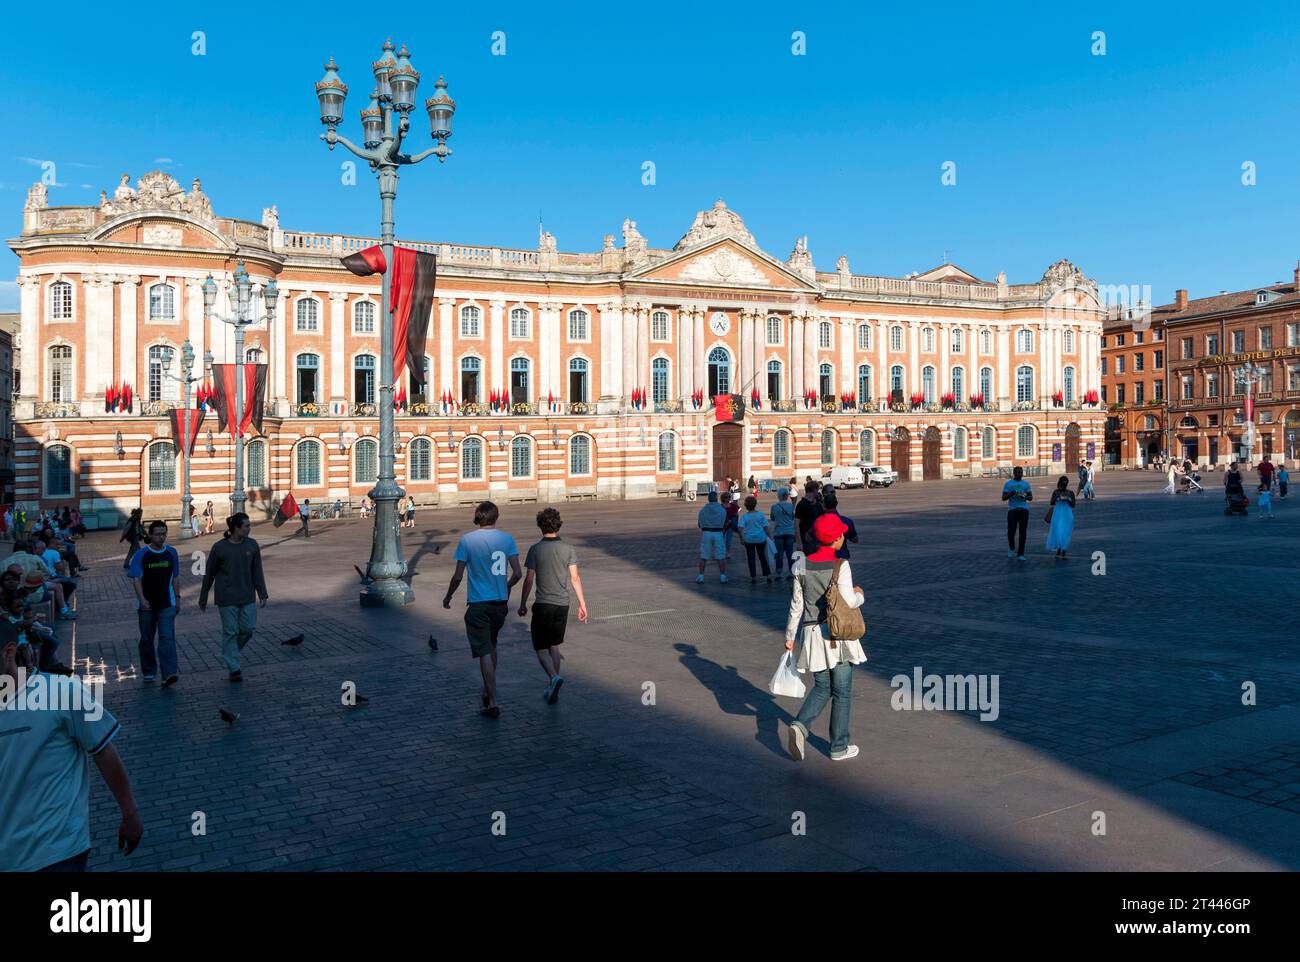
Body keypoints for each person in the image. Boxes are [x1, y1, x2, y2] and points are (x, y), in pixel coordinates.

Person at [0, 620, 144, 871]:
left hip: (56, 850)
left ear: (9, 651)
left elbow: (103, 752)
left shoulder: (61, 691)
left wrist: (129, 811)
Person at [783, 513, 866, 763]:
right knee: (841, 691)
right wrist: (860, 594)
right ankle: (839, 746)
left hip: (811, 633)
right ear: (837, 538)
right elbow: (850, 601)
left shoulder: (800, 565)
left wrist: (790, 636)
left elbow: (796, 606)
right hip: (836, 634)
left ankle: (800, 726)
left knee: (821, 687)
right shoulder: (841, 565)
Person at [443, 502, 522, 718]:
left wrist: (448, 595)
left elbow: (458, 576)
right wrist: (506, 586)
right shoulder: (507, 539)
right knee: (492, 644)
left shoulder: (467, 540)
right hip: (500, 605)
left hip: (479, 604)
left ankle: (492, 701)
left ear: (478, 517)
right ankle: (488, 689)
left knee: (484, 652)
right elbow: (517, 573)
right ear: (497, 517)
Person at [517, 507, 588, 705]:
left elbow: (529, 580)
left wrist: (523, 603)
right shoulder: (568, 548)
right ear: (558, 524)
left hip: (543, 605)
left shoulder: (535, 549)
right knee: (554, 646)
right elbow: (575, 577)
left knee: (540, 648)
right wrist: (582, 604)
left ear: (540, 526)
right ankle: (553, 684)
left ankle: (553, 678)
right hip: (562, 605)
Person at [199, 513, 269, 683]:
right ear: (236, 528)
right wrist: (203, 596)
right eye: (246, 526)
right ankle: (234, 668)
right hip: (226, 597)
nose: (249, 528)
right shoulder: (219, 547)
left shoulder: (252, 545)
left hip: (247, 595)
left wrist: (262, 592)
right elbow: (210, 573)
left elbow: (257, 571)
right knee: (230, 631)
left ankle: (231, 653)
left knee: (248, 629)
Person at [128, 521, 181, 687]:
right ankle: (149, 671)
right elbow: (136, 579)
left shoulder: (172, 552)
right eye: (157, 534)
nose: (161, 537)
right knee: (146, 639)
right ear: (150, 535)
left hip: (167, 603)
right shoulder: (141, 554)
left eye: (163, 533)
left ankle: (169, 673)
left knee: (167, 638)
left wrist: (178, 598)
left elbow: (176, 577)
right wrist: (142, 600)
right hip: (147, 606)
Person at [695, 491, 729, 584]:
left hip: (706, 533)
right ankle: (722, 576)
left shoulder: (702, 510)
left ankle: (701, 576)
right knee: (720, 556)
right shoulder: (722, 510)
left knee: (703, 556)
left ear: (708, 499)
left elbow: (699, 524)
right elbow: (726, 523)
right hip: (718, 533)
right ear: (716, 498)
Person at [738, 495, 773, 584]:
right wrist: (769, 536)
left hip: (749, 539)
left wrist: (741, 538)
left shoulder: (744, 517)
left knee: (751, 558)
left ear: (746, 506)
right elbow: (766, 527)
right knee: (763, 557)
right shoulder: (760, 515)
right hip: (760, 538)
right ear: (755, 504)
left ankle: (753, 577)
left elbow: (740, 528)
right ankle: (767, 575)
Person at [1001, 466, 1033, 561]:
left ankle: (1021, 553)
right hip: (1012, 509)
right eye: (1017, 472)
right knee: (1011, 531)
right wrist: (1011, 493)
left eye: (1021, 472)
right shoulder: (1008, 484)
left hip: (1024, 509)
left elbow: (1030, 497)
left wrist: (1024, 496)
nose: (1019, 474)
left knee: (1023, 532)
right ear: (1014, 473)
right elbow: (1003, 498)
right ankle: (1011, 547)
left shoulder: (1026, 484)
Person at [820, 491, 858, 560]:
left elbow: (809, 538)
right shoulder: (847, 521)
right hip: (841, 556)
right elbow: (855, 539)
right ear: (836, 504)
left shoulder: (819, 522)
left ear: (824, 505)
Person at [1045, 476, 1076, 559]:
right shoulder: (1056, 492)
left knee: (1066, 533)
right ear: (1060, 483)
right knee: (1058, 532)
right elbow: (1051, 502)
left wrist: (1068, 500)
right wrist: (1057, 498)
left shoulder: (1070, 493)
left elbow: (1073, 505)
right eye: (1063, 483)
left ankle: (1064, 552)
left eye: (1066, 484)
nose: (1064, 485)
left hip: (1067, 514)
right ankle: (1058, 550)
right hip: (1058, 514)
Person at [769, 487, 796, 579]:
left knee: (779, 554)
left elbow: (772, 518)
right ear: (787, 496)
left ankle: (779, 573)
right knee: (790, 553)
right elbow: (792, 517)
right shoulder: (791, 506)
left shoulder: (774, 507)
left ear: (779, 496)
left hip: (779, 532)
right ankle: (791, 572)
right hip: (789, 532)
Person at [794, 481, 824, 555]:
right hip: (806, 542)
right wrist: (799, 542)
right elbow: (796, 524)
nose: (818, 492)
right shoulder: (802, 505)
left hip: (818, 541)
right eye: (817, 490)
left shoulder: (818, 504)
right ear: (814, 490)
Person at [721, 491, 739, 557]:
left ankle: (728, 552)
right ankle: (722, 551)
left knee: (729, 540)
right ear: (723, 498)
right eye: (726, 497)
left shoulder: (733, 506)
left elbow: (736, 515)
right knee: (721, 539)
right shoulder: (720, 506)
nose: (728, 498)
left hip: (730, 525)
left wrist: (733, 521)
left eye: (729, 497)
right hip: (723, 525)